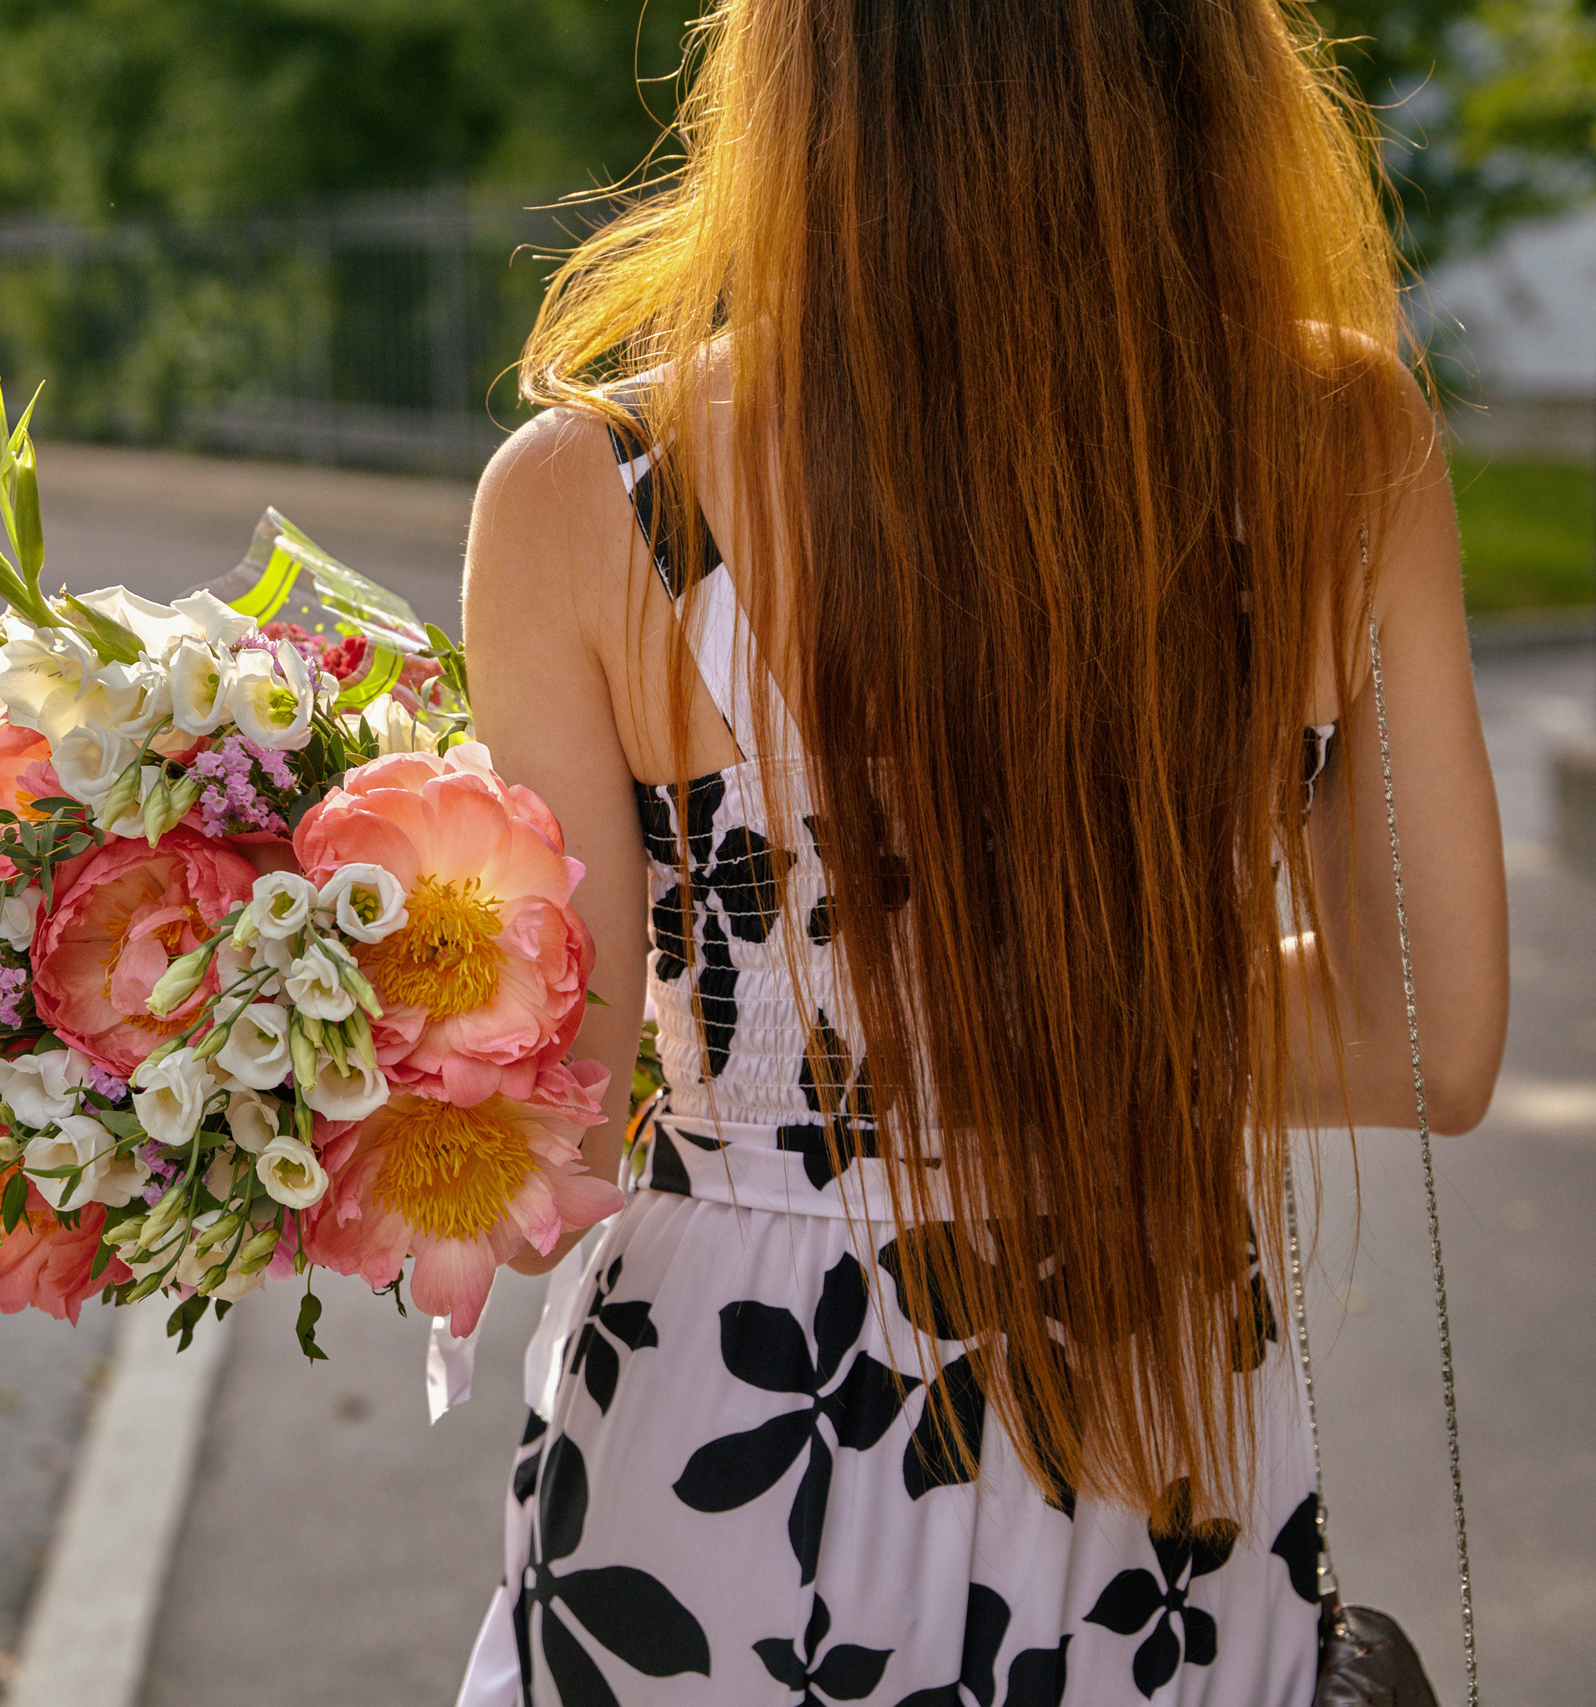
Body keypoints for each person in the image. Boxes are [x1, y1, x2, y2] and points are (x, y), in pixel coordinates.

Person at [458, 3, 1508, 1704]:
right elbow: (1433, 1042)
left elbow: (551, 1118)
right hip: (1148, 1431)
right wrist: (1083, 1030)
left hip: (720, 1438)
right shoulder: (1334, 440)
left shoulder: (594, 491)